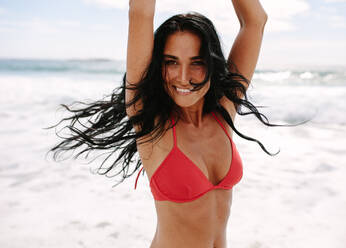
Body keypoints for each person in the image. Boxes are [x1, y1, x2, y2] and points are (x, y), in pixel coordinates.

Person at [48, 0, 279, 247]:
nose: (182, 77)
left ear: (212, 64)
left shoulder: (224, 111)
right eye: (171, 62)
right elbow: (140, 11)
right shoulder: (151, 123)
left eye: (197, 62)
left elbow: (255, 21)